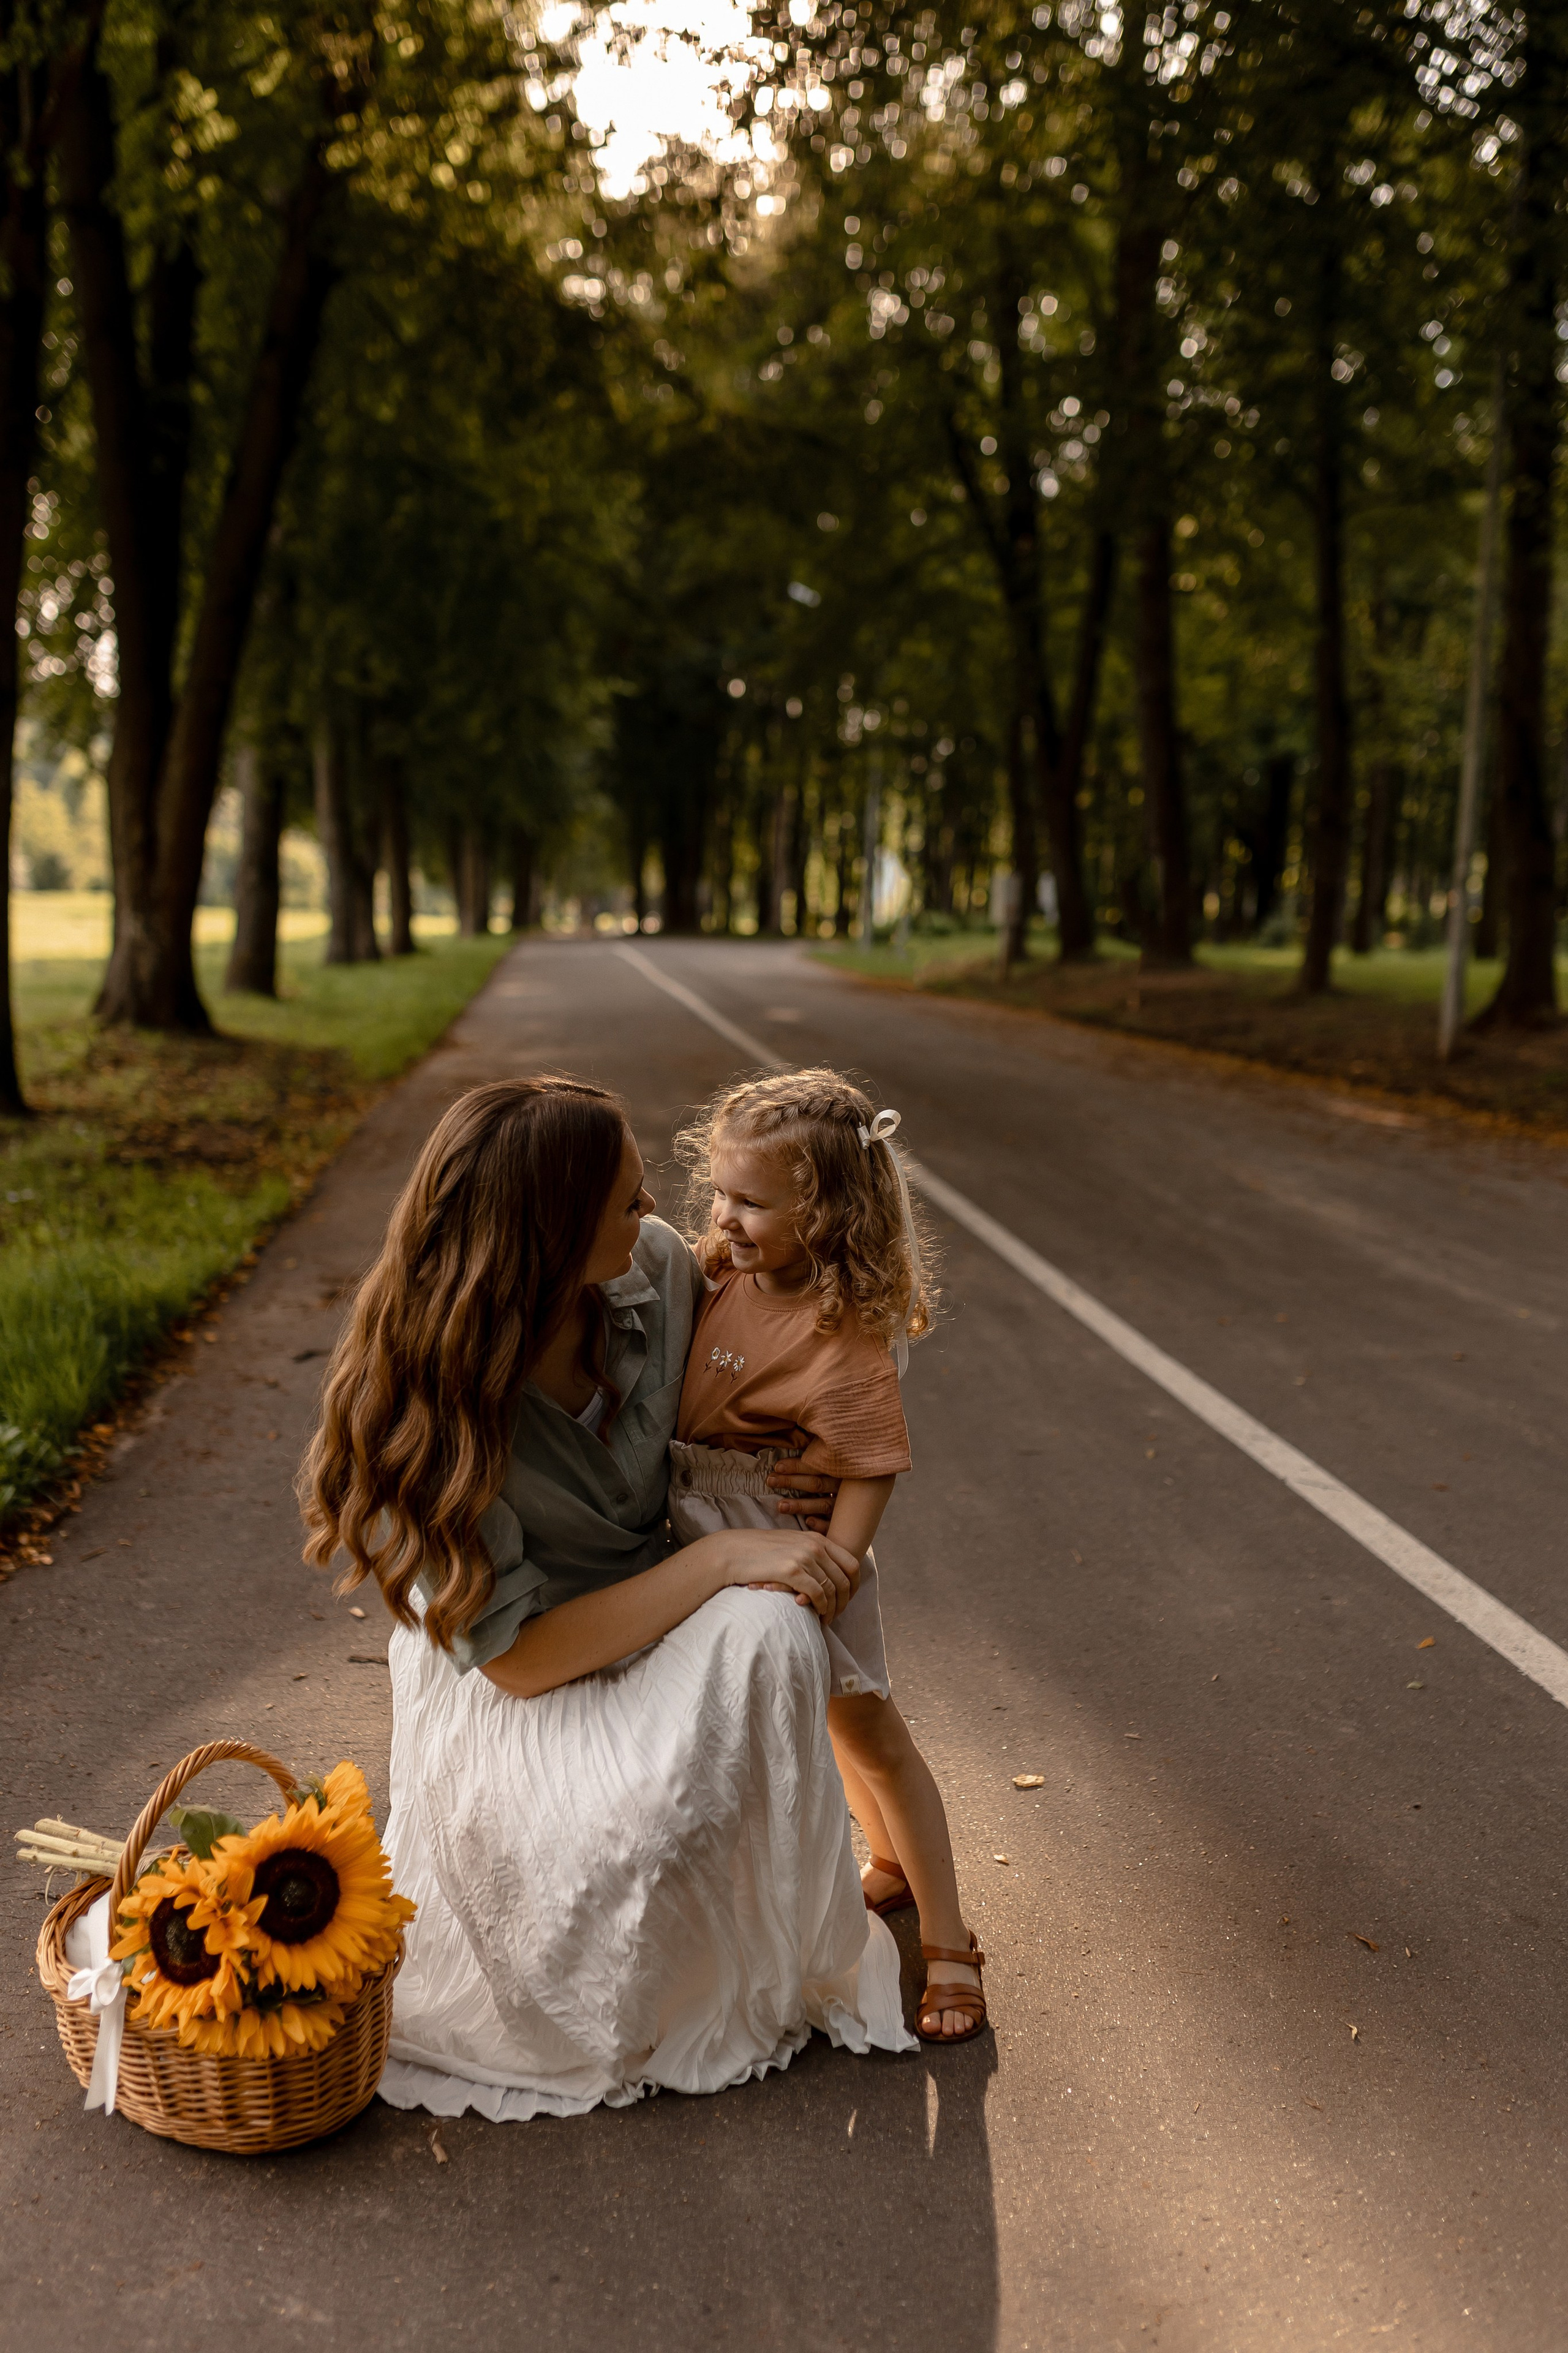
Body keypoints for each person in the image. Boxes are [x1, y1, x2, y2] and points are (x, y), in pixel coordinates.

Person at [300, 1075, 914, 2122]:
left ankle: (739, 1941)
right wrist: (723, 1560)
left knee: (782, 1626)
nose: (657, 1215)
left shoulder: (658, 1270)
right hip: (522, 1670)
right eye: (628, 1201)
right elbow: (522, 1656)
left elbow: (798, 1331)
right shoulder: (424, 1398)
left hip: (659, 1613)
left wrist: (811, 1456)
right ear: (543, 1234)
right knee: (592, 1877)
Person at [668, 1070, 986, 2044]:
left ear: (828, 1213)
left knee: (869, 1727)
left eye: (752, 1202)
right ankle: (884, 1866)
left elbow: (869, 1463)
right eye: (721, 1193)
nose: (725, 1216)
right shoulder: (723, 1270)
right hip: (702, 1528)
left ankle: (949, 1942)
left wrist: (834, 1567)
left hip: (790, 1540)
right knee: (828, 1719)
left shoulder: (837, 1327)